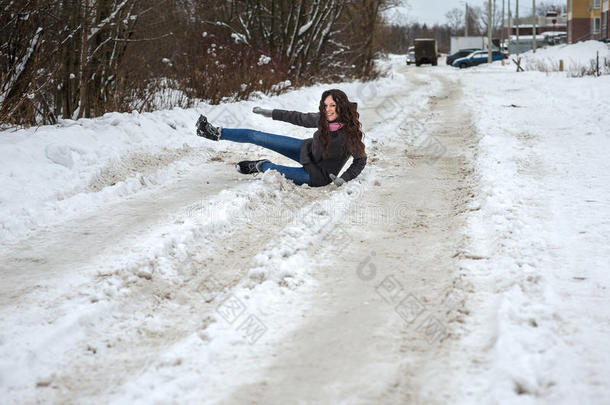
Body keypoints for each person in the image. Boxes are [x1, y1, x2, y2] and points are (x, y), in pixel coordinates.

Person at [195, 89, 367, 187]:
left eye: (333, 106)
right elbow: (298, 117)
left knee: (271, 169)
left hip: (316, 175)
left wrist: (343, 178)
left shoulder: (349, 136)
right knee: (257, 136)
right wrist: (270, 113)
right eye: (325, 105)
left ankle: (258, 165)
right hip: (306, 150)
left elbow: (360, 160)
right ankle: (214, 133)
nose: (328, 109)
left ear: (341, 107)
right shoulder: (322, 119)